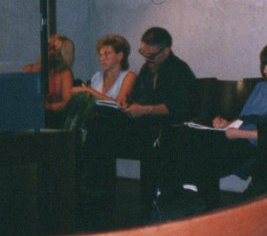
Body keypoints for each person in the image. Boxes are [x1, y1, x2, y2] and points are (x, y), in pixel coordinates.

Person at [166, 38, 267, 209]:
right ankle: (183, 194)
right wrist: (226, 123)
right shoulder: (261, 87)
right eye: (264, 65)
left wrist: (239, 134)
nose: (264, 70)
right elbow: (244, 118)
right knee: (187, 137)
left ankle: (208, 206)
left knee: (205, 153)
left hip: (257, 145)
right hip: (237, 136)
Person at [80, 26, 197, 202]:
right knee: (100, 121)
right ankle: (95, 186)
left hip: (167, 128)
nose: (147, 59)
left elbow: (177, 107)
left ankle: (96, 187)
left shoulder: (179, 70)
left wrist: (144, 109)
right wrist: (128, 104)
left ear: (166, 50)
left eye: (151, 55)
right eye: (143, 53)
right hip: (144, 124)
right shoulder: (147, 69)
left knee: (104, 129)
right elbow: (137, 98)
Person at [64, 34, 137, 135]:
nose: (102, 58)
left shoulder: (129, 76)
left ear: (120, 56)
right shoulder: (97, 77)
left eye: (107, 54)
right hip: (96, 125)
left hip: (116, 127)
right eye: (100, 55)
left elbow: (119, 105)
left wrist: (88, 90)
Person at [24, 34, 75, 128]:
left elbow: (67, 102)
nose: (49, 50)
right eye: (48, 46)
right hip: (29, 118)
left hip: (53, 120)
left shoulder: (64, 74)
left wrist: (48, 107)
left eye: (54, 48)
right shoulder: (30, 69)